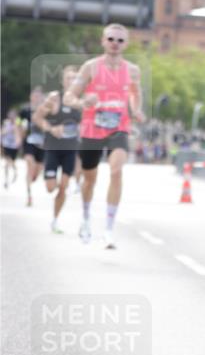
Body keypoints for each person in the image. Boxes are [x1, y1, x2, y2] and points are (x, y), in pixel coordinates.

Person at [65, 23, 145, 249]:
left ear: (126, 44)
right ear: (103, 41)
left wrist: (136, 109)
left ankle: (109, 229)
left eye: (120, 40)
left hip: (119, 127)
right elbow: (69, 97)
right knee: (89, 179)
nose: (115, 43)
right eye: (111, 39)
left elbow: (135, 94)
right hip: (92, 129)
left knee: (116, 170)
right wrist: (83, 102)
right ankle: (86, 217)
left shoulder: (132, 70)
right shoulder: (90, 67)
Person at [34, 66, 82, 234]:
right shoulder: (54, 98)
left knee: (64, 187)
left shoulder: (80, 103)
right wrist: (51, 128)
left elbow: (86, 124)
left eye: (75, 79)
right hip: (53, 149)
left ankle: (55, 220)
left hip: (71, 150)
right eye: (69, 78)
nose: (72, 81)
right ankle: (48, 176)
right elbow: (37, 117)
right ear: (63, 81)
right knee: (50, 187)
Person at [19, 88, 45, 206]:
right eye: (34, 96)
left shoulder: (46, 111)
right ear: (31, 97)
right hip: (28, 142)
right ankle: (29, 195)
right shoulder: (25, 110)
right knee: (30, 164)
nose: (36, 98)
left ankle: (33, 177)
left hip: (42, 144)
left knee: (37, 170)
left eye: (38, 96)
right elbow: (18, 123)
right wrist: (19, 135)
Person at [1, 109, 21, 188]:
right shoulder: (6, 123)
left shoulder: (18, 123)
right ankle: (6, 180)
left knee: (12, 161)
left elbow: (20, 133)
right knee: (7, 162)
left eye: (13, 115)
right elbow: (2, 132)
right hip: (7, 145)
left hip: (14, 146)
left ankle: (15, 172)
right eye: (11, 115)